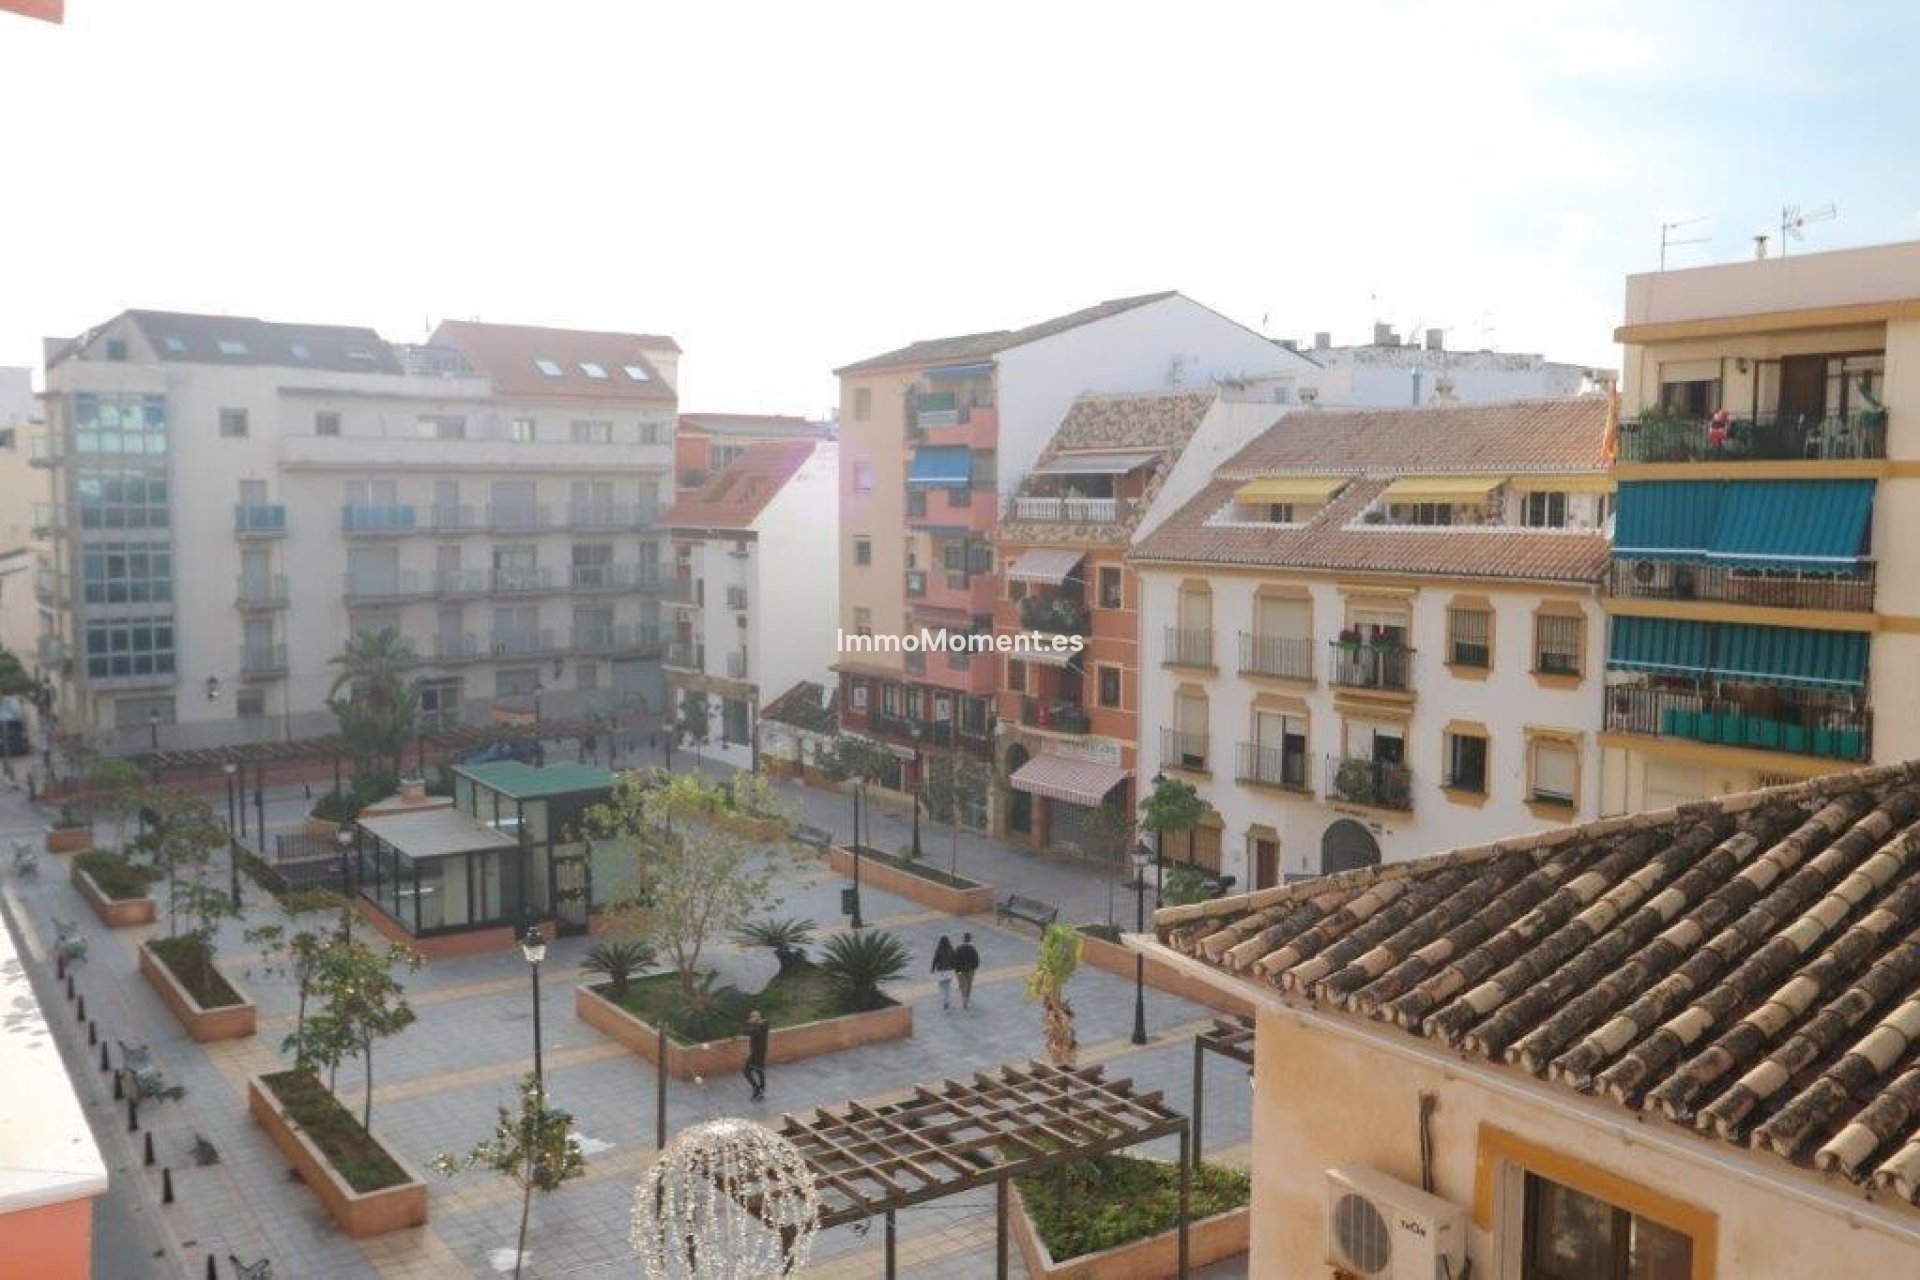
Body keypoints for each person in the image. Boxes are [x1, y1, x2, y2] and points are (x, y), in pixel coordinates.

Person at [742, 1009, 769, 1102]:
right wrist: (748, 1024)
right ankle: (756, 1088)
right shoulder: (753, 1026)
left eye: (755, 1016)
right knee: (746, 1070)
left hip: (760, 1053)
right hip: (754, 1053)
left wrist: (754, 1023)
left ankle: (760, 1090)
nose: (753, 1018)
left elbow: (758, 1030)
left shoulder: (764, 1024)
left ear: (759, 1016)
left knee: (759, 1071)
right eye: (752, 1016)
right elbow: (745, 1032)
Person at [952, 933, 981, 1010]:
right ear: (970, 939)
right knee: (969, 983)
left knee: (962, 984)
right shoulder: (972, 949)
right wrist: (974, 967)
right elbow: (976, 959)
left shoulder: (958, 948)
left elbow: (954, 959)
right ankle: (967, 997)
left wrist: (956, 969)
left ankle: (964, 998)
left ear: (963, 939)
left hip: (960, 970)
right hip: (970, 970)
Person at [931, 936, 957, 1011]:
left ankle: (944, 1001)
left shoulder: (939, 950)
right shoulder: (951, 949)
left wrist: (932, 969)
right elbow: (955, 959)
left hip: (941, 970)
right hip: (949, 970)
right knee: (948, 986)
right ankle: (947, 1000)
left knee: (942, 986)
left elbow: (935, 960)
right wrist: (955, 968)